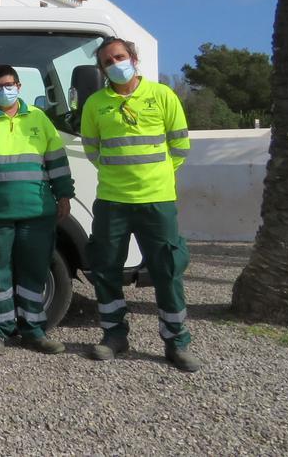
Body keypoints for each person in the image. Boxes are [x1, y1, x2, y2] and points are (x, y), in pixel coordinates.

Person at [81, 36, 201, 372]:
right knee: (105, 269)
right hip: (112, 200)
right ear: (102, 69)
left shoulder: (162, 95)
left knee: (167, 269)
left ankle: (177, 342)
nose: (114, 64)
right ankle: (114, 336)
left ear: (133, 58)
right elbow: (93, 150)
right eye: (107, 61)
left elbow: (179, 147)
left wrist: (155, 176)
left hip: (157, 200)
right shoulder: (95, 104)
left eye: (119, 57)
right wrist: (122, 175)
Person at [0, 65, 75, 357]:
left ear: (19, 86)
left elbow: (57, 161)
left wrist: (64, 194)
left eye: (9, 84)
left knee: (34, 271)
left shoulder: (38, 119)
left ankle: (34, 331)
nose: (4, 90)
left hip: (36, 211)